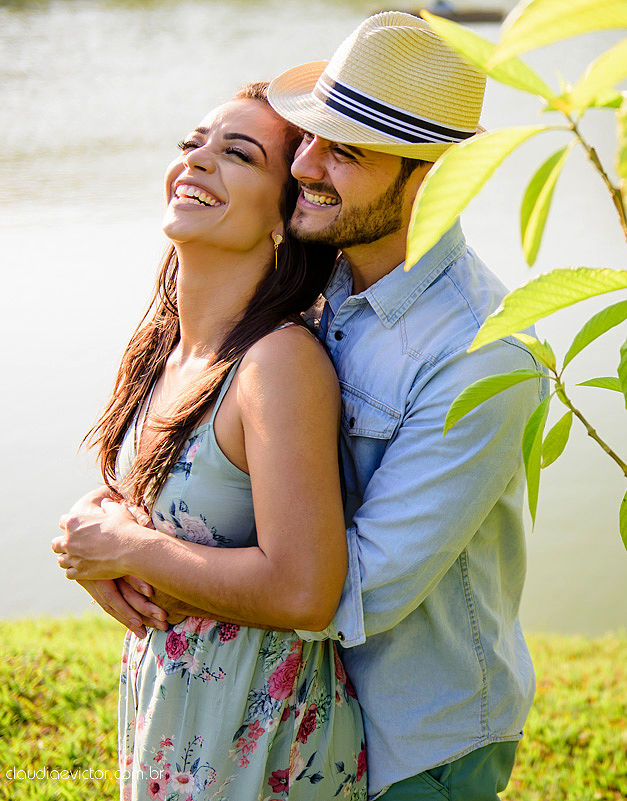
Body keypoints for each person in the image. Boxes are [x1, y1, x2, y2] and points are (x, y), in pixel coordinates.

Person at [62, 12, 543, 801]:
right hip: (276, 705)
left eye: (345, 151)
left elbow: (347, 591)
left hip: (419, 738)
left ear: (432, 181)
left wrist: (134, 555)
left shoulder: (482, 356)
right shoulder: (322, 286)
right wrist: (110, 523)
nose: (306, 164)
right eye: (312, 136)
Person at [52, 83, 367, 800]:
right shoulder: (166, 347)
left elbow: (305, 591)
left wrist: (127, 550)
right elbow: (177, 504)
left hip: (257, 738)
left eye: (237, 154)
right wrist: (98, 527)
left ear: (284, 217)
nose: (196, 161)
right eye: (192, 144)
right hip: (177, 709)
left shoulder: (278, 364)